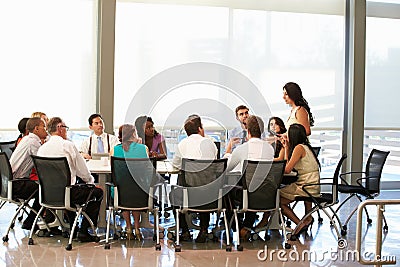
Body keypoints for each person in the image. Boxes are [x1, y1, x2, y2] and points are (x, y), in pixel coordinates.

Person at [37, 117, 104, 242]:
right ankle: (84, 230)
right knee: (98, 192)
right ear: (59, 128)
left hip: (47, 195)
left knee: (74, 188)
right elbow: (82, 171)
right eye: (65, 128)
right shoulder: (67, 145)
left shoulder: (42, 149)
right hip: (68, 194)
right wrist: (91, 183)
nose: (66, 131)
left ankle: (73, 227)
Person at [224, 115, 275, 239]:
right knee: (251, 185)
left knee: (225, 190)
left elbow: (228, 169)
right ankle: (246, 226)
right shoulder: (270, 149)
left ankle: (235, 226)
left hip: (248, 195)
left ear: (248, 131)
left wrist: (227, 154)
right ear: (262, 131)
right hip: (268, 194)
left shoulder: (242, 149)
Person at [172, 114, 218, 243]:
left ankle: (185, 231)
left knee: (173, 193)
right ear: (200, 128)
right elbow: (215, 162)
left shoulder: (183, 144)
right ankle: (204, 230)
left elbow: (175, 165)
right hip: (209, 195)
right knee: (204, 187)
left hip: (189, 196)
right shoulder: (210, 143)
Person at [279, 123, 320, 237]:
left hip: (305, 187)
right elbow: (289, 165)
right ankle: (307, 219)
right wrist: (287, 147)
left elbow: (287, 169)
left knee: (277, 201)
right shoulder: (306, 147)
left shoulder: (299, 148)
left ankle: (299, 224)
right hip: (312, 185)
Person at [111, 124, 149, 241]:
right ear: (134, 134)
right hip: (140, 192)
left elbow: (113, 170)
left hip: (121, 194)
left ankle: (128, 227)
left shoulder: (114, 150)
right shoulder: (144, 148)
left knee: (123, 188)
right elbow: (148, 171)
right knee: (135, 188)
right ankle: (137, 227)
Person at [10, 117, 49, 230]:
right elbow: (44, 163)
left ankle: (33, 220)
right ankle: (31, 221)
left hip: (11, 182)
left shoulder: (27, 139)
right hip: (17, 183)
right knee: (46, 189)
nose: (46, 130)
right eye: (44, 127)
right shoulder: (33, 142)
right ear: (36, 129)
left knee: (43, 187)